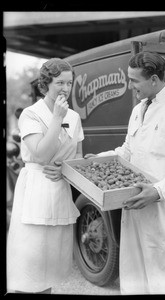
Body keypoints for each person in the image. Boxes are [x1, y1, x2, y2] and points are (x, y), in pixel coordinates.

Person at [85, 51, 165, 294]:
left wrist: (157, 191)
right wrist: (101, 159)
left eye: (134, 80)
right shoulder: (138, 110)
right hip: (133, 207)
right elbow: (128, 150)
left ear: (155, 80)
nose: (130, 86)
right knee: (133, 276)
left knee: (162, 281)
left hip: (159, 211)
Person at [7, 58, 84, 294]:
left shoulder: (74, 117)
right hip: (35, 189)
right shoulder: (30, 114)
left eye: (69, 83)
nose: (65, 89)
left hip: (60, 189)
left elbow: (78, 157)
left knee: (50, 267)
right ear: (46, 84)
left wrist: (65, 170)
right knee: (29, 266)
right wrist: (57, 118)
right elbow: (40, 155)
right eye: (60, 82)